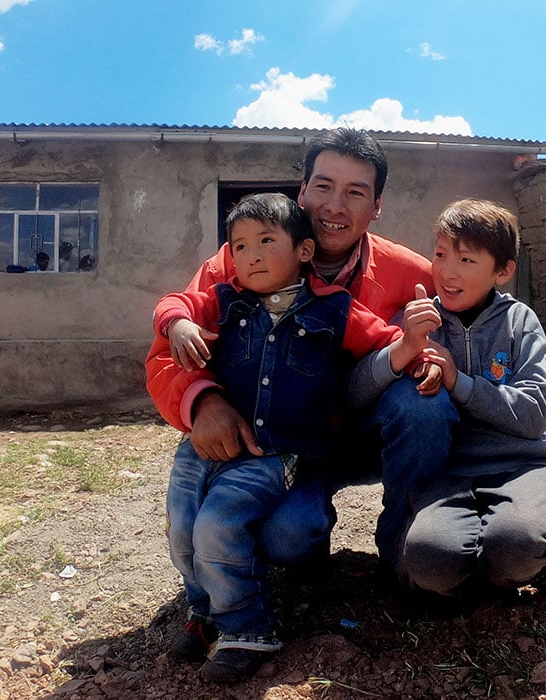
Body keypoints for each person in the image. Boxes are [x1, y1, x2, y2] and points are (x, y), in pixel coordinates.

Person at [145, 192, 441, 681]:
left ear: (304, 251)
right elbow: (175, 301)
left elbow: (386, 340)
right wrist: (175, 322)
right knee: (182, 527)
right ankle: (203, 612)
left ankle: (247, 628)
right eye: (239, 246)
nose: (251, 256)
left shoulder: (335, 311)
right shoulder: (222, 301)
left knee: (216, 525)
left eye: (266, 241)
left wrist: (421, 352)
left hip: (271, 454)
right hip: (204, 448)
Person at [152, 127, 459, 569]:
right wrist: (202, 403)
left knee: (424, 404)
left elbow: (471, 312)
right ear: (302, 191)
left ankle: (407, 549)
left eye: (356, 192)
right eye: (323, 186)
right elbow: (167, 349)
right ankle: (291, 545)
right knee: (288, 538)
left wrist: (523, 380)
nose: (335, 206)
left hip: (366, 433)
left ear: (376, 208)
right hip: (275, 441)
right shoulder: (239, 263)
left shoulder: (412, 274)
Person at [350, 198, 546, 610]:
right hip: (450, 474)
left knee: (519, 543)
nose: (447, 272)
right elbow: (355, 394)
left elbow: (535, 416)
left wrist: (457, 381)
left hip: (522, 466)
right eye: (441, 254)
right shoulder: (419, 320)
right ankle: (479, 575)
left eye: (466, 259)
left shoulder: (520, 323)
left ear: (502, 271)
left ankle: (540, 565)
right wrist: (405, 347)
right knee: (430, 562)